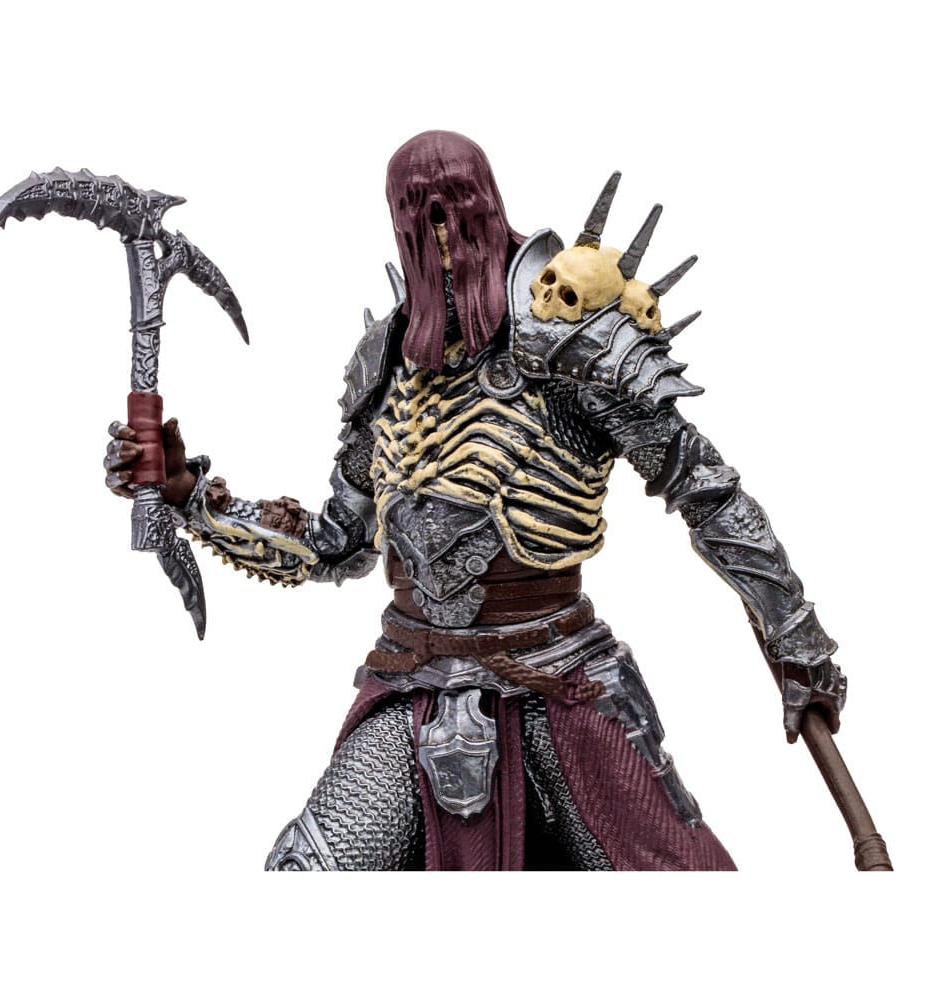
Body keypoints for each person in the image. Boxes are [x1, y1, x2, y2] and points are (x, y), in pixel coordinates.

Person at [104, 131, 845, 870]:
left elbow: (704, 489)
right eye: (417, 212)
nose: (441, 230)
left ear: (488, 204)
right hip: (413, 681)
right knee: (303, 876)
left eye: (455, 205)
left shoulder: (573, 338)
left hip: (559, 678)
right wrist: (189, 494)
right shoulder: (386, 361)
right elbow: (338, 542)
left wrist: (797, 640)